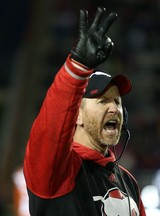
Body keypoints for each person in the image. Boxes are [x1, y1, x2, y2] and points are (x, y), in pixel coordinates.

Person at [23, 7, 146, 216]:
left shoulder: (127, 181)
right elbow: (50, 128)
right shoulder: (58, 173)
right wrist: (77, 68)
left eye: (117, 101)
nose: (114, 108)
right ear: (76, 115)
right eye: (103, 101)